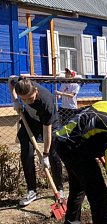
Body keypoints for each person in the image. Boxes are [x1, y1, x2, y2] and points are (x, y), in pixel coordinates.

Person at [8, 76, 64, 206]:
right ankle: (31, 190)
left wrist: (45, 155)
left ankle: (59, 189)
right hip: (30, 122)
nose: (27, 102)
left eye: (30, 98)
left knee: (53, 155)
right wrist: (15, 100)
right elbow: (10, 80)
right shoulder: (21, 84)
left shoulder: (46, 102)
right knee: (26, 153)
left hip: (49, 125)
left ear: (35, 90)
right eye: (24, 99)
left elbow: (47, 132)